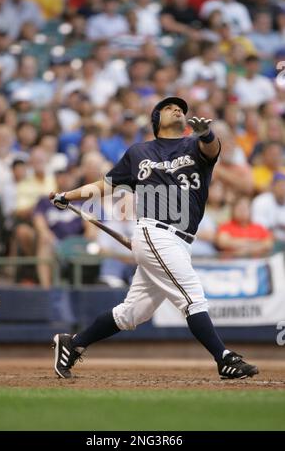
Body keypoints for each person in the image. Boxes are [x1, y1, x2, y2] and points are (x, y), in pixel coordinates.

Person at [50, 96, 258, 380]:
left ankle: (73, 344)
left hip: (180, 240)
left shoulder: (194, 144)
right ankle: (224, 358)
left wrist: (206, 134)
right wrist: (67, 196)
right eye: (170, 107)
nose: (178, 110)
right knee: (193, 298)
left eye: (181, 109)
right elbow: (106, 185)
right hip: (155, 231)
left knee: (132, 313)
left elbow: (212, 150)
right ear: (156, 117)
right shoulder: (139, 152)